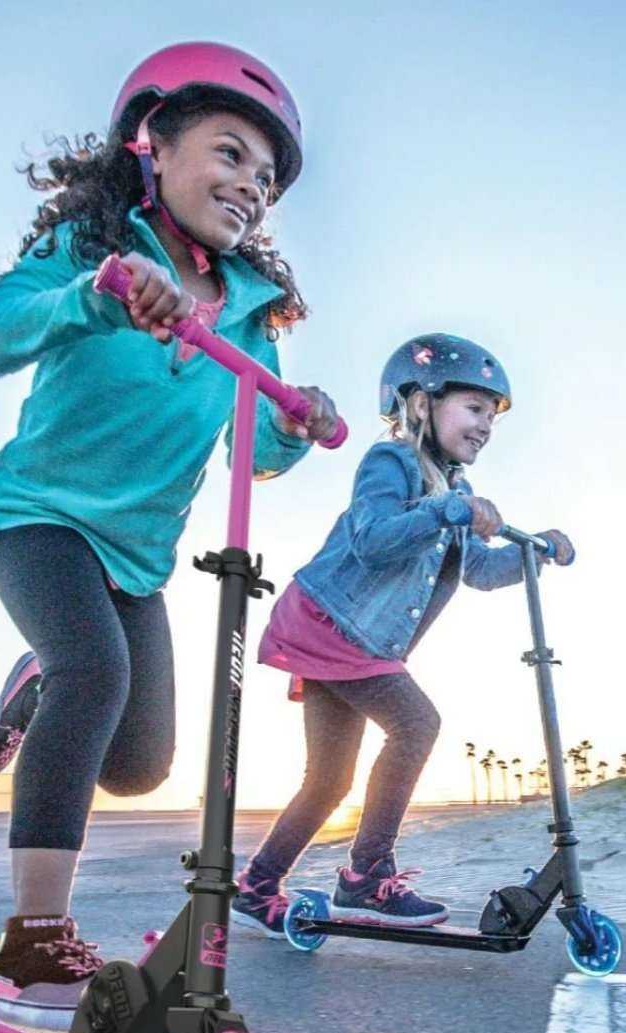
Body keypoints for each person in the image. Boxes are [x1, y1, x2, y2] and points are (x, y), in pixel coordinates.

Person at [0, 42, 344, 1027]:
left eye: (265, 174)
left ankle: (36, 688)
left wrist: (294, 425)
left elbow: (251, 452)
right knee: (96, 670)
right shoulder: (94, 248)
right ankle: (27, 943)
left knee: (138, 763)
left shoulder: (252, 311)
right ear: (152, 147)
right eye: (228, 152)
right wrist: (90, 298)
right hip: (39, 517)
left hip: (136, 559)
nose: (250, 184)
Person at [231, 334, 575, 936]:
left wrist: (534, 552)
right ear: (420, 405)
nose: (485, 426)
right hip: (332, 624)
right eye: (473, 409)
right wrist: (447, 512)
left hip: (358, 642)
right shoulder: (389, 462)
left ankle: (258, 886)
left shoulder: (458, 492)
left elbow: (477, 571)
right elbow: (374, 538)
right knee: (417, 724)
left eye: (491, 416)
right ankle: (365, 874)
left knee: (329, 779)